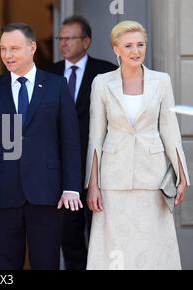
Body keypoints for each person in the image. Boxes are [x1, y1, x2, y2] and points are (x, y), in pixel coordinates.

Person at [0, 22, 82, 270]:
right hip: (3, 193)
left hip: (47, 193)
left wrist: (71, 187)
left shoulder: (56, 86)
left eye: (14, 48)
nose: (7, 55)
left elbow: (70, 140)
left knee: (46, 263)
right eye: (3, 49)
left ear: (32, 48)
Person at [85, 20, 190, 270]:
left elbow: (170, 130)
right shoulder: (101, 83)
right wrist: (93, 184)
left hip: (152, 179)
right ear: (115, 49)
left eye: (140, 45)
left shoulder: (162, 81)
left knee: (153, 248)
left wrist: (183, 174)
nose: (135, 51)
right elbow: (95, 137)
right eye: (128, 45)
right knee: (114, 250)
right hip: (113, 180)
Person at [45, 15, 117, 270]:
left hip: (101, 167)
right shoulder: (48, 74)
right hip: (64, 171)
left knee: (104, 234)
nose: (63, 43)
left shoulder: (107, 71)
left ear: (86, 41)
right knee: (70, 237)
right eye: (60, 38)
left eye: (70, 38)